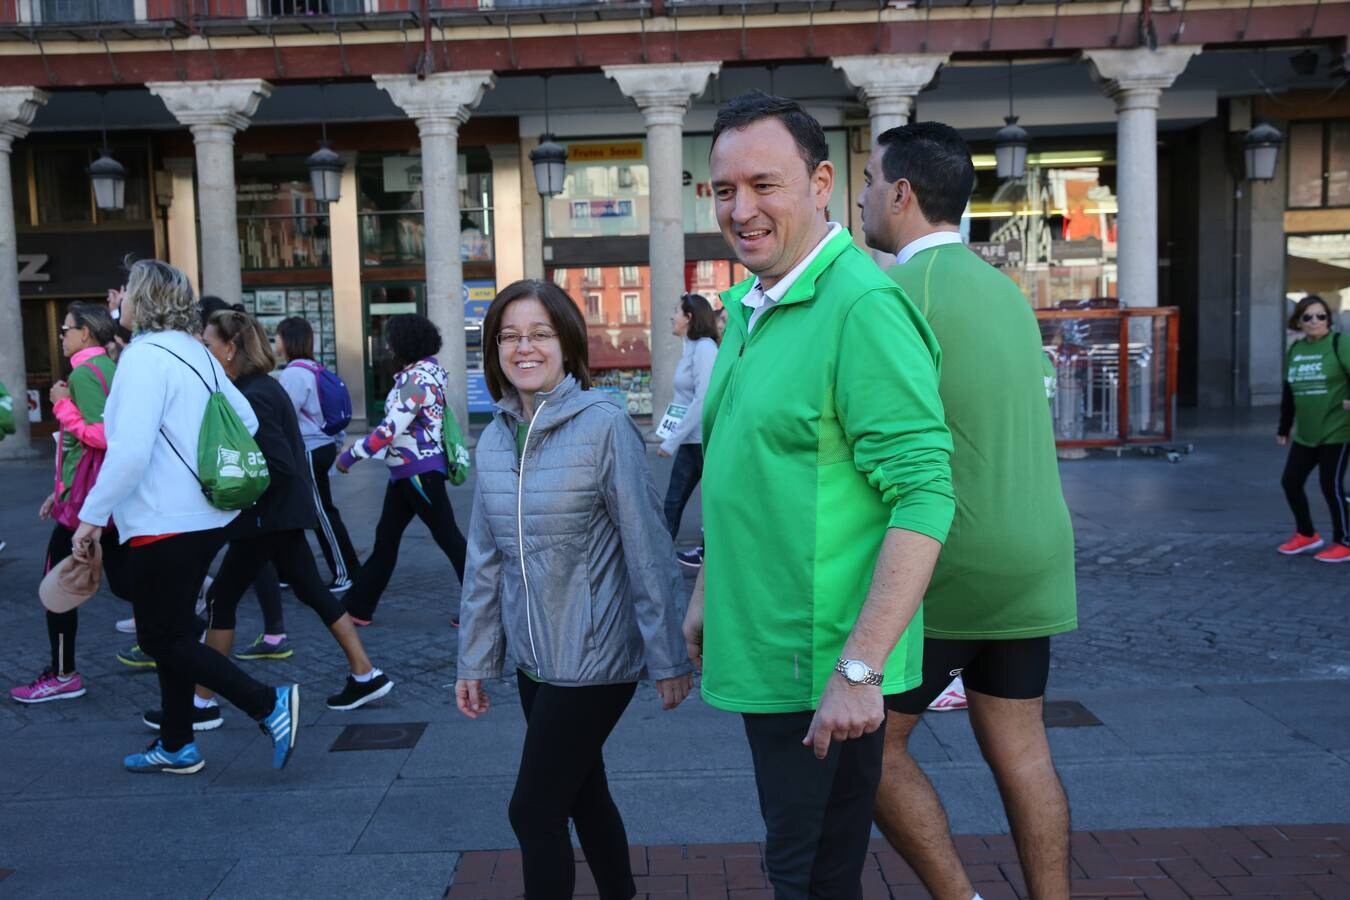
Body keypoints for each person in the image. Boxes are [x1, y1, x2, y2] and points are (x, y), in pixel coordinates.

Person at [682, 91, 954, 898]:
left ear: (822, 182)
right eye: (724, 189)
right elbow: (748, 471)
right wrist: (706, 588)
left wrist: (860, 671)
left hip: (823, 665)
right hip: (769, 647)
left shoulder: (861, 307)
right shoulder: (751, 306)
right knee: (809, 868)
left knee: (805, 875)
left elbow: (925, 496)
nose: (741, 209)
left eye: (764, 185)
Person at [857, 121, 1079, 900]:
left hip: (950, 562)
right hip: (1037, 556)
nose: (859, 197)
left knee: (871, 749)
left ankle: (961, 898)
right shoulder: (1004, 291)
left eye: (866, 179)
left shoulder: (888, 294)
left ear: (902, 193)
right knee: (1023, 750)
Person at [456, 279, 693, 900]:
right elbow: (486, 560)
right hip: (536, 661)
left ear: (566, 342)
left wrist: (667, 655)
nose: (523, 347)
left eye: (539, 333)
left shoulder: (605, 425)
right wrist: (476, 660)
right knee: (584, 793)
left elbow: (647, 546)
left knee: (532, 811)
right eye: (508, 336)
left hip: (596, 661)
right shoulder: (493, 438)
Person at [72, 259, 299, 774]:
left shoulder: (142, 358)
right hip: (203, 515)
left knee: (160, 637)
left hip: (161, 517)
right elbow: (241, 417)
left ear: (144, 299)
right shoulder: (195, 353)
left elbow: (127, 454)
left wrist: (90, 518)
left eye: (126, 291)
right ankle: (177, 743)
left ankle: (267, 703)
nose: (119, 301)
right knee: (172, 632)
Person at [140, 309, 390, 730]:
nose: (204, 349)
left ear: (230, 348)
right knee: (312, 592)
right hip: (278, 516)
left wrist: (236, 495)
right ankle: (366, 674)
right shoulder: (261, 388)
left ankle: (202, 702)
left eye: (208, 343)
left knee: (221, 599)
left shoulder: (253, 394)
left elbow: (278, 463)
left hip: (266, 519)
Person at [11, 302, 131, 704]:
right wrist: (58, 490)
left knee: (56, 586)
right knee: (129, 582)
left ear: (86, 334)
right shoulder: (110, 367)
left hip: (88, 506)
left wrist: (60, 404)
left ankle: (63, 674)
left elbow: (100, 437)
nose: (61, 337)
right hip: (99, 498)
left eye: (66, 330)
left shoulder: (84, 374)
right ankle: (189, 625)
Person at [338, 314, 467, 625]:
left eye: (391, 339)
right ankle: (358, 607)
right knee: (387, 538)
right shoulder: (425, 374)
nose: (388, 345)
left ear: (404, 343)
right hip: (407, 471)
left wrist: (351, 456)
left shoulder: (416, 380)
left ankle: (486, 607)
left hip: (417, 471)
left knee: (449, 538)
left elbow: (389, 429)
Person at [274, 316, 360, 592]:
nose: (275, 342)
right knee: (310, 511)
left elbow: (285, 416)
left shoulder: (293, 374)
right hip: (321, 446)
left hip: (309, 449)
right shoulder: (314, 368)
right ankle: (290, 570)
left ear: (287, 340)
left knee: (322, 513)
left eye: (277, 337)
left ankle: (345, 573)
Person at [1277, 293, 1350, 562]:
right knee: (1291, 482)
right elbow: (1289, 391)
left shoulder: (1340, 344)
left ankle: (1344, 541)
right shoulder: (1295, 350)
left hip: (1338, 430)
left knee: (1330, 486)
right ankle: (1307, 534)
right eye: (1308, 317)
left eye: (1321, 316)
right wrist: (1283, 427)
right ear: (1298, 321)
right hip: (1307, 433)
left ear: (1329, 319)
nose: (1315, 321)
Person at [655, 292, 719, 568]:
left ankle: (708, 554)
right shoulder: (691, 347)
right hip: (692, 441)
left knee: (712, 500)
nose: (672, 316)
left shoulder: (705, 348)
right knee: (673, 500)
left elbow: (702, 399)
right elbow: (684, 400)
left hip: (705, 440)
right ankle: (658, 558)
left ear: (689, 318)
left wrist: (671, 441)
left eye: (677, 311)